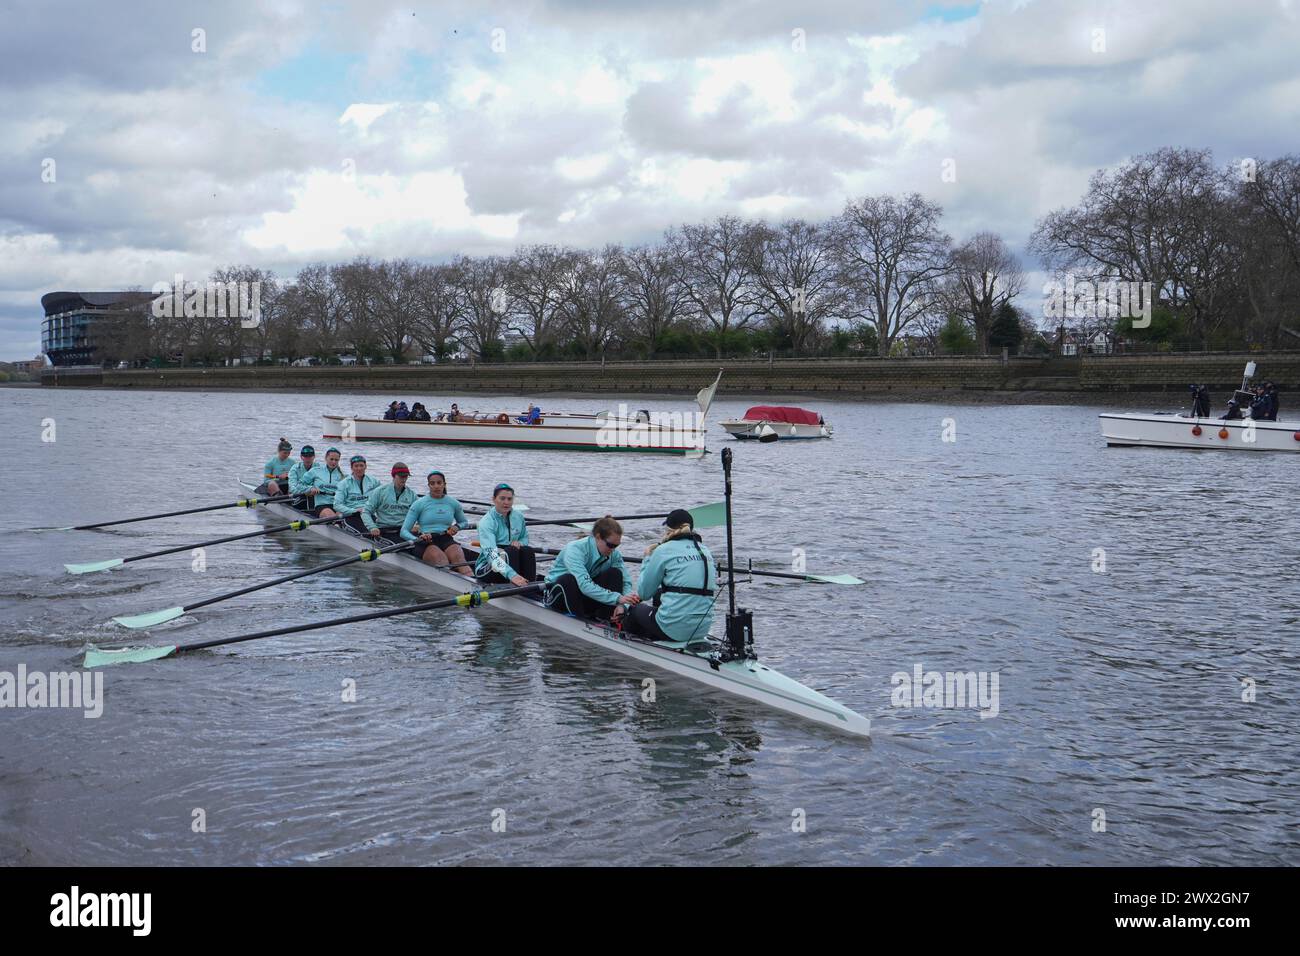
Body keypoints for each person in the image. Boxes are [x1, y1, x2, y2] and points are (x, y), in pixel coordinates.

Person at [624, 510, 717, 644]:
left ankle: (636, 646)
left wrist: (648, 558)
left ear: (668, 529)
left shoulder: (663, 550)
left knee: (634, 610)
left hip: (675, 629)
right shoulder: (705, 550)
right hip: (702, 628)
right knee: (659, 594)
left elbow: (643, 593)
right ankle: (661, 634)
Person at [543, 516, 637, 622]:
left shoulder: (614, 554)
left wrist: (622, 604)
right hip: (558, 593)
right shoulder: (575, 549)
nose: (613, 549)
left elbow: (626, 582)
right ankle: (580, 622)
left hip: (582, 595)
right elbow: (585, 585)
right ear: (598, 537)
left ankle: (610, 619)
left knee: (615, 573)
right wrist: (617, 598)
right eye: (610, 545)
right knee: (568, 579)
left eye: (616, 546)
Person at [401, 470, 473, 576]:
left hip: (446, 538)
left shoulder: (453, 503)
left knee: (459, 559)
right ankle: (451, 580)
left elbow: (464, 522)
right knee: (441, 559)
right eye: (432, 483)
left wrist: (457, 527)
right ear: (428, 485)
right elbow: (403, 531)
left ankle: (474, 583)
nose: (436, 486)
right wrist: (416, 539)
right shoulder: (419, 504)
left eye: (439, 483)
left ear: (444, 484)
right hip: (425, 541)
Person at [473, 483, 537, 585]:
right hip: (488, 566)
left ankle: (530, 586)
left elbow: (524, 538)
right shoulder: (486, 522)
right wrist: (512, 575)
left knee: (527, 550)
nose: (506, 502)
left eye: (509, 499)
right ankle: (515, 584)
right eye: (502, 498)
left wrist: (520, 542)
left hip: (510, 560)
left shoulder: (518, 516)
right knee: (511, 551)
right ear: (494, 499)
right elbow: (491, 554)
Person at [322, 455, 381, 532]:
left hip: (368, 515)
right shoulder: (343, 484)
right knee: (365, 533)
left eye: (361, 466)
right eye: (356, 466)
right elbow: (337, 505)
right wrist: (354, 510)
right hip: (352, 516)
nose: (359, 468)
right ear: (351, 468)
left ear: (365, 466)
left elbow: (382, 498)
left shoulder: (374, 481)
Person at [361, 463, 417, 540]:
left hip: (404, 531)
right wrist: (372, 527)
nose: (404, 479)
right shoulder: (380, 492)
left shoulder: (412, 494)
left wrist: (417, 524)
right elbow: (365, 512)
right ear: (393, 476)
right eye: (401, 476)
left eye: (406, 476)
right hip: (385, 531)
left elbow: (421, 513)